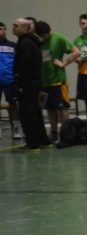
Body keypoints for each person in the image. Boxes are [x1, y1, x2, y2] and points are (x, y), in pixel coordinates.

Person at [36, 20, 78, 141]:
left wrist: (64, 63)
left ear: (48, 31)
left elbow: (76, 52)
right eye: (41, 36)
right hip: (44, 81)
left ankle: (66, 133)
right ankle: (53, 132)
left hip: (58, 81)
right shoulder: (39, 41)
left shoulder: (59, 38)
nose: (44, 38)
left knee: (62, 107)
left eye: (45, 35)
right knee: (50, 108)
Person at [11, 18, 49, 151]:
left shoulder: (25, 43)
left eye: (16, 25)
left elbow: (25, 66)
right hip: (35, 82)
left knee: (27, 113)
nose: (13, 27)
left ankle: (33, 143)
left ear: (25, 28)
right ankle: (43, 140)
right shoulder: (31, 42)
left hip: (28, 84)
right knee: (35, 111)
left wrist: (20, 84)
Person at [0, 22, 20, 141]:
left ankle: (16, 130)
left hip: (10, 80)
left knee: (13, 105)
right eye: (0, 29)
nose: (3, 31)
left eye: (4, 29)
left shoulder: (13, 45)